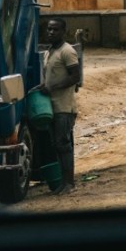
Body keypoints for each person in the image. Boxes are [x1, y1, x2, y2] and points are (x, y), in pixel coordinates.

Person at [40, 16, 81, 193]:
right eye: (49, 29)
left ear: (64, 31)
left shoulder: (67, 51)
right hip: (51, 107)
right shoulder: (49, 51)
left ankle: (69, 184)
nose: (51, 32)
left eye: (55, 29)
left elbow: (75, 76)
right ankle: (61, 183)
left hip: (64, 107)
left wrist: (52, 87)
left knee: (63, 145)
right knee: (57, 145)